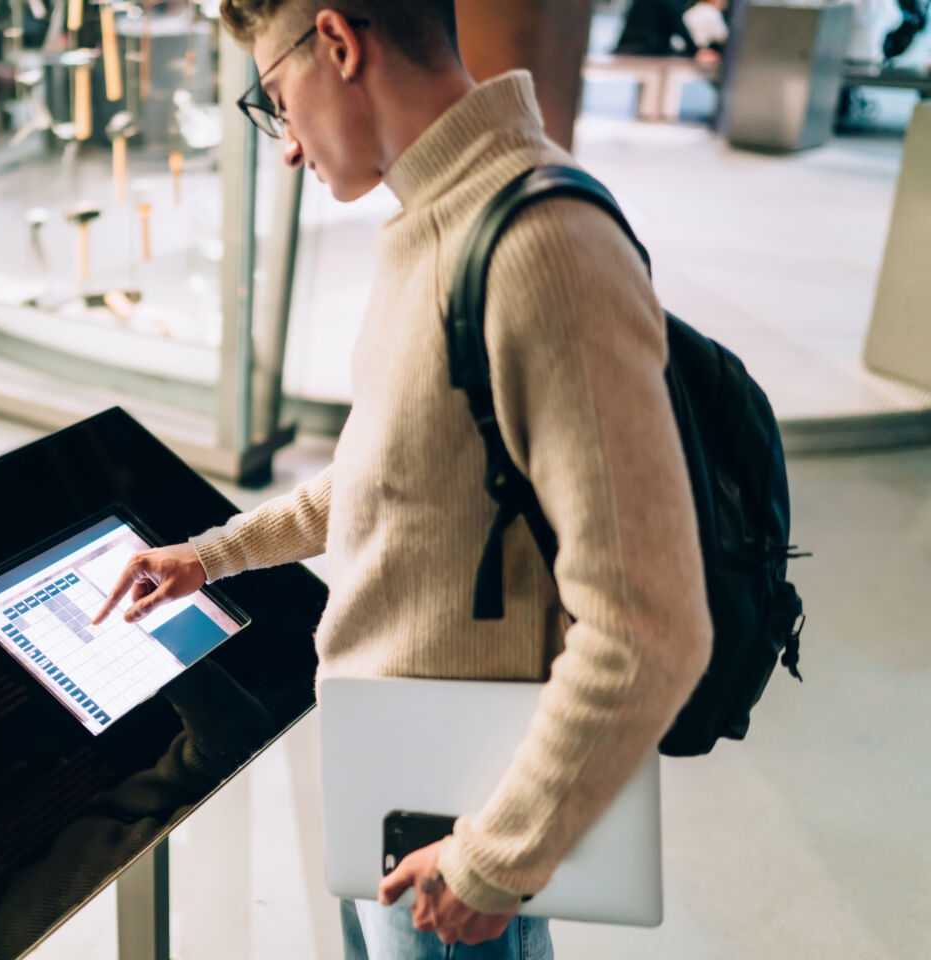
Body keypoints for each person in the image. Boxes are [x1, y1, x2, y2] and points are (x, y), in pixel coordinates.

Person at [92, 2, 712, 957]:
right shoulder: (434, 223)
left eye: (274, 96)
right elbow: (387, 479)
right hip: (390, 783)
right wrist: (209, 559)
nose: (286, 145)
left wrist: (495, 863)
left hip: (459, 822)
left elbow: (650, 630)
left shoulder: (542, 247)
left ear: (338, 43)